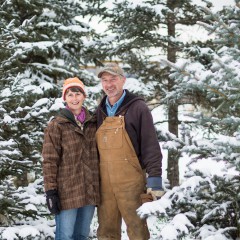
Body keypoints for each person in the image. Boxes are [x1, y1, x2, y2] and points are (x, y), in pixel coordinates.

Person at [95, 63, 164, 240]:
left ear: (123, 80)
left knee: (137, 230)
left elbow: (150, 145)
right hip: (105, 186)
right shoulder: (99, 111)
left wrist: (154, 180)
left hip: (131, 183)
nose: (109, 84)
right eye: (105, 80)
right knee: (106, 231)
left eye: (113, 79)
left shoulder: (138, 108)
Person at [42, 77, 100, 240]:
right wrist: (51, 191)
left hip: (89, 191)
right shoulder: (57, 125)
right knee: (65, 236)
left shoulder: (93, 123)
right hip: (67, 192)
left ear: (84, 96)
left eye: (78, 94)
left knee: (82, 235)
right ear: (65, 98)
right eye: (70, 95)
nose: (74, 98)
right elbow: (49, 160)